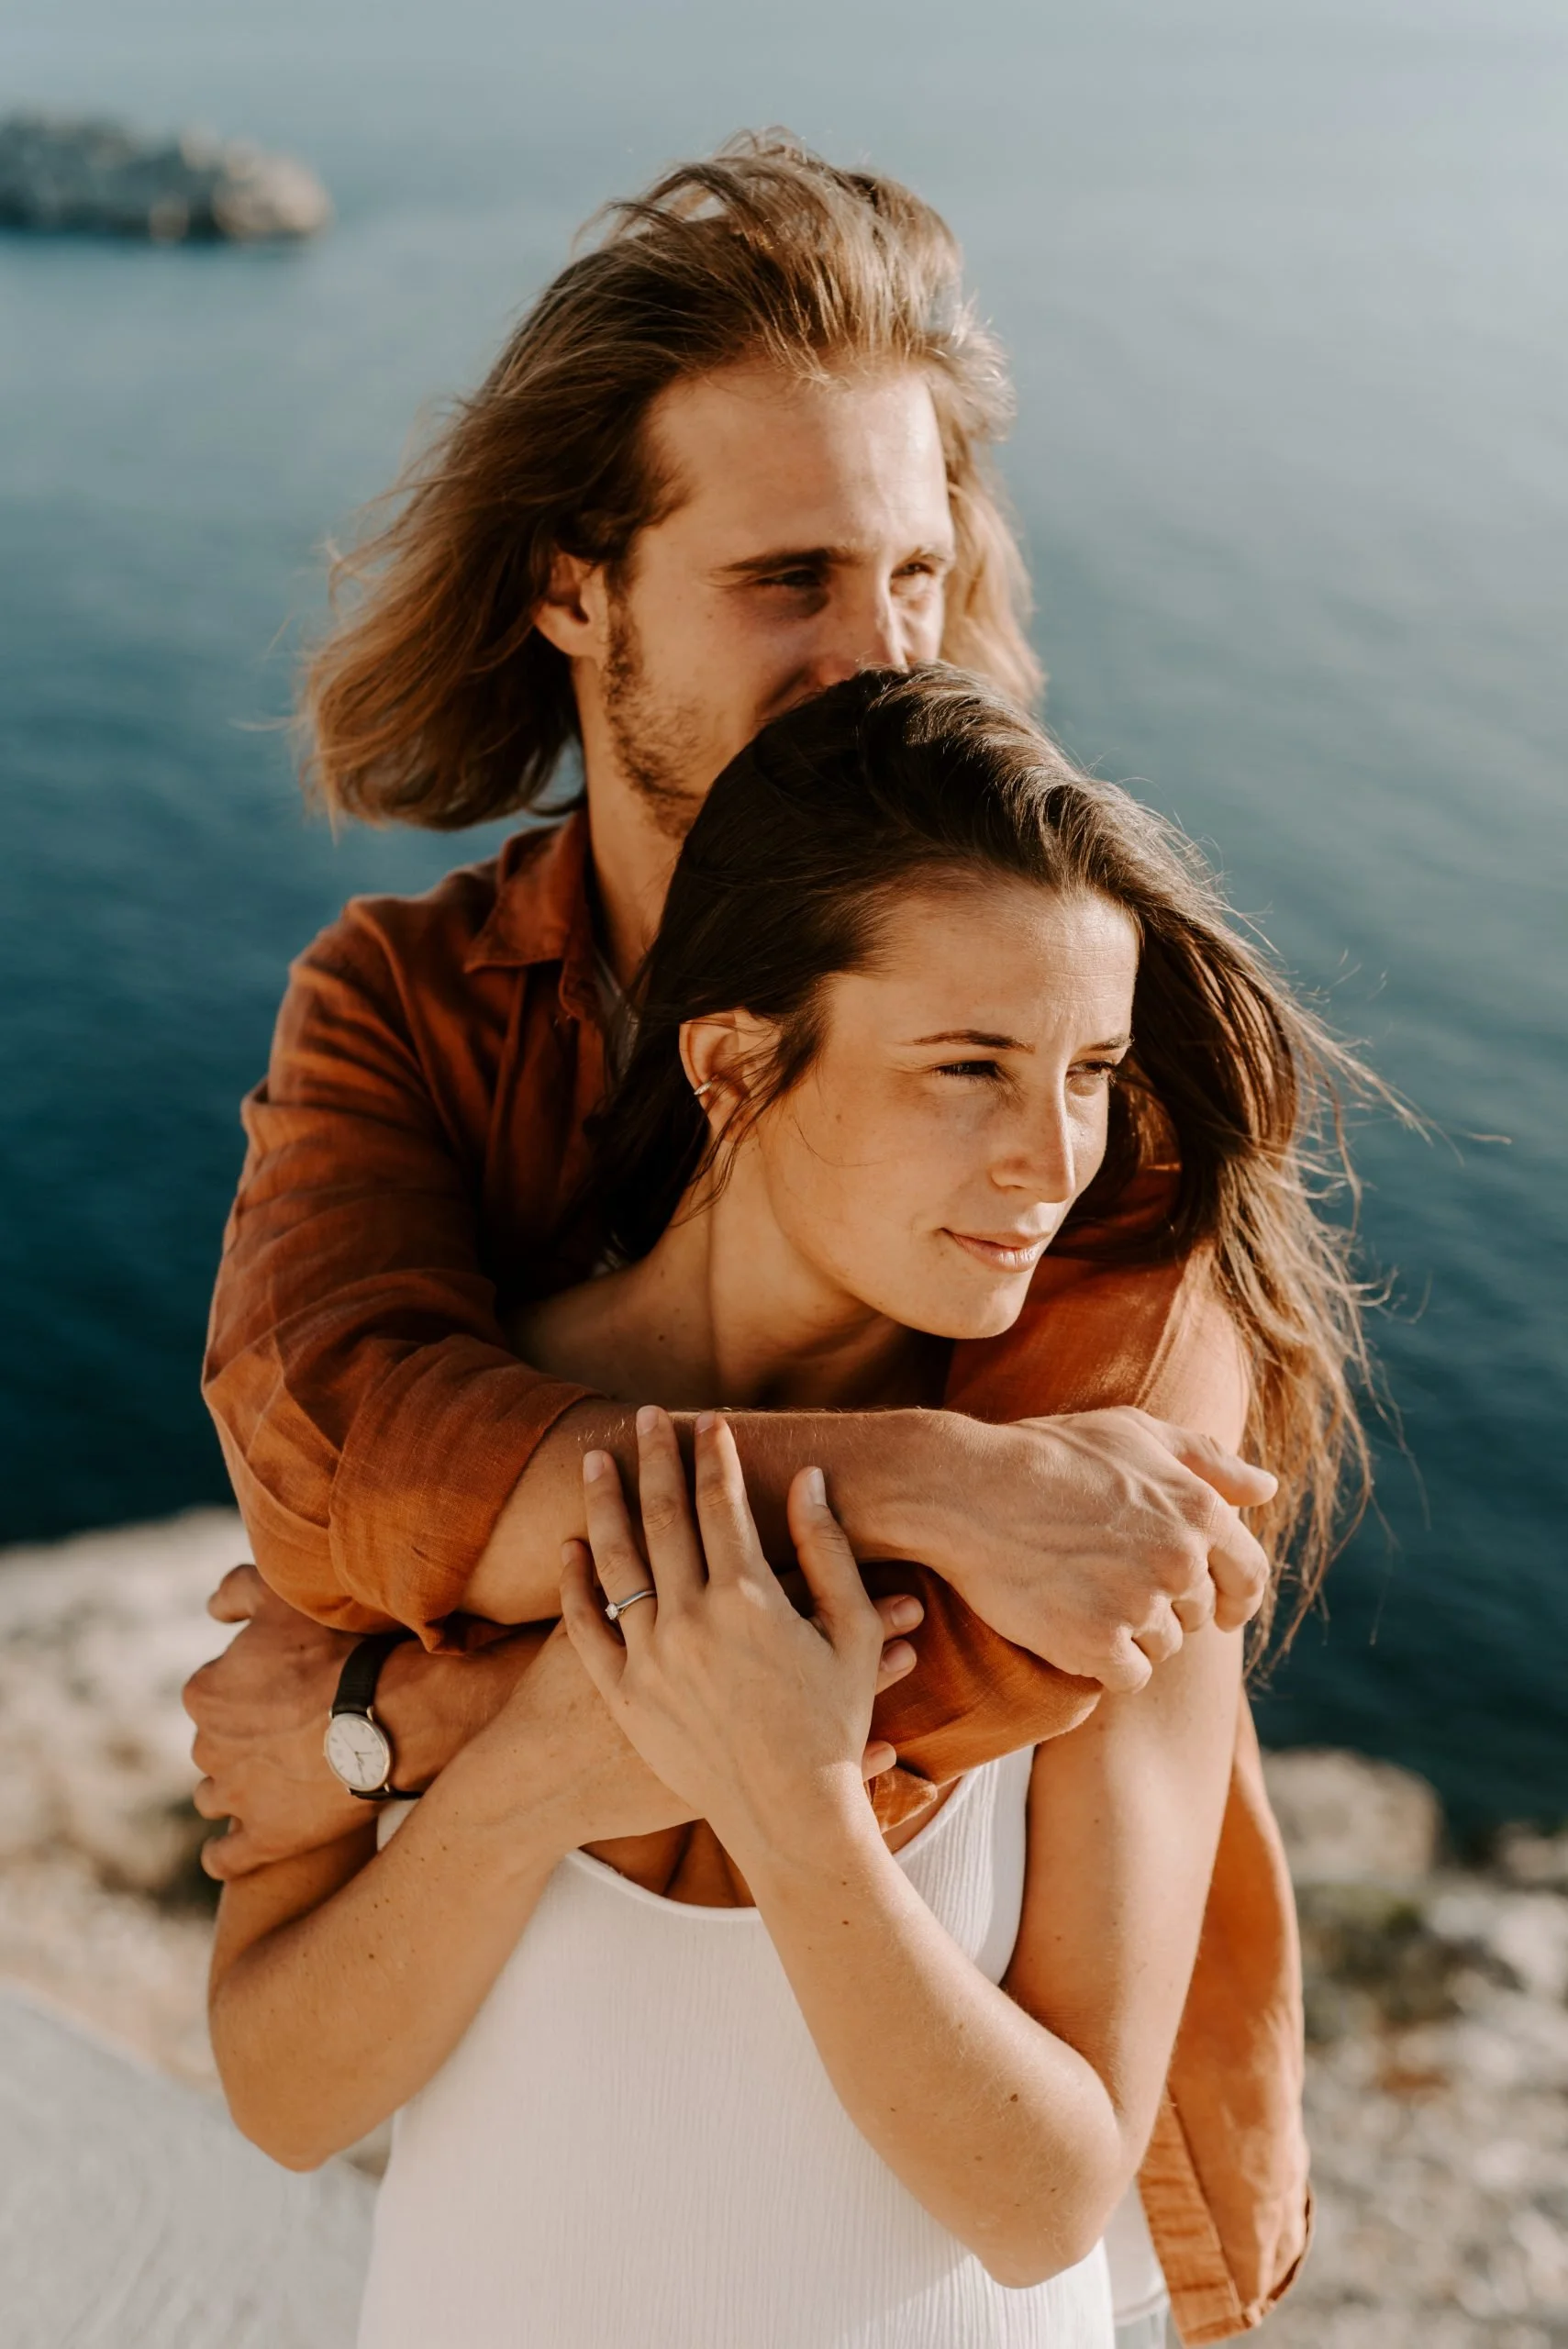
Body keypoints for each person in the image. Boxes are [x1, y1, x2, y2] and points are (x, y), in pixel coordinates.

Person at [190, 138, 1362, 2339]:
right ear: (574, 592)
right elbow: (341, 1451)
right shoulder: (413, 1008)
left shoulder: (1077, 1102)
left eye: (913, 575)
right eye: (788, 578)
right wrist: (927, 1476)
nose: (875, 658)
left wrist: (394, 1709)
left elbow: (997, 1652)